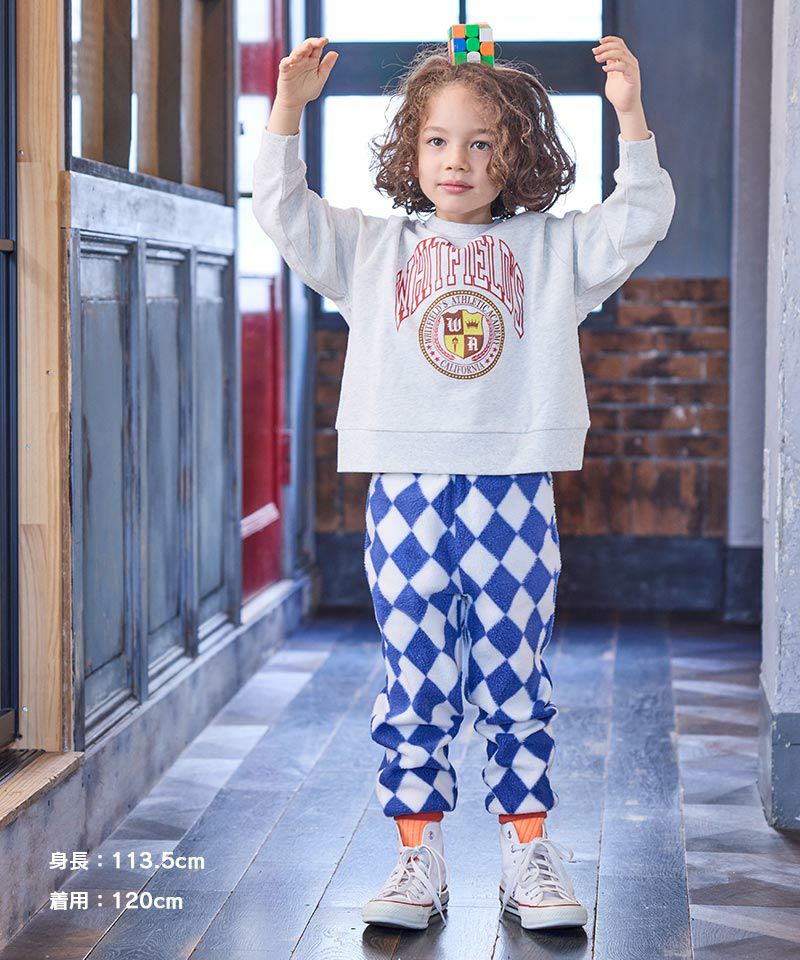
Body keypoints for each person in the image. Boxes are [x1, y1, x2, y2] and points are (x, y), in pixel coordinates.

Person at [253, 30, 675, 933]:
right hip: (405, 488)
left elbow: (640, 217)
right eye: (439, 140)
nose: (458, 161)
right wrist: (288, 111)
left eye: (483, 143)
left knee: (515, 672)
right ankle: (418, 856)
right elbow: (282, 210)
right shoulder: (372, 251)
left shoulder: (552, 252)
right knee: (415, 675)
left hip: (511, 487)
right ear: (410, 150)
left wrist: (631, 117)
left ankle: (529, 852)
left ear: (516, 154)